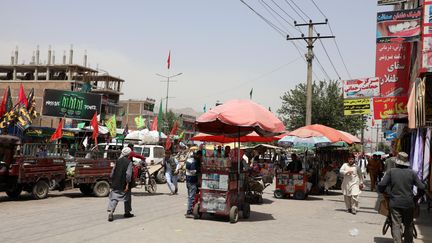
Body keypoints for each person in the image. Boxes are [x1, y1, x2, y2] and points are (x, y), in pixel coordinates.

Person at [378, 152, 425, 243]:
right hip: (409, 203)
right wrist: (418, 196)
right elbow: (422, 187)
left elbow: (381, 185)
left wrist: (382, 191)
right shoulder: (412, 173)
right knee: (409, 225)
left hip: (395, 203)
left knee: (396, 224)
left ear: (396, 162)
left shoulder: (391, 172)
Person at [107, 147, 134, 222]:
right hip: (124, 183)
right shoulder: (129, 162)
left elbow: (112, 172)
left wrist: (112, 179)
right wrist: (127, 184)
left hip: (116, 182)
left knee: (114, 198)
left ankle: (111, 212)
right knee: (127, 197)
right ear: (129, 154)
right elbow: (128, 175)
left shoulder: (118, 161)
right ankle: (127, 212)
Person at [185, 150, 201, 218]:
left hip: (188, 180)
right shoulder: (194, 162)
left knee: (190, 196)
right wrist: (199, 170)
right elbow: (192, 171)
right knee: (191, 197)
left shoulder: (189, 160)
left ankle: (190, 210)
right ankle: (189, 212)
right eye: (200, 156)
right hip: (192, 181)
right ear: (198, 155)